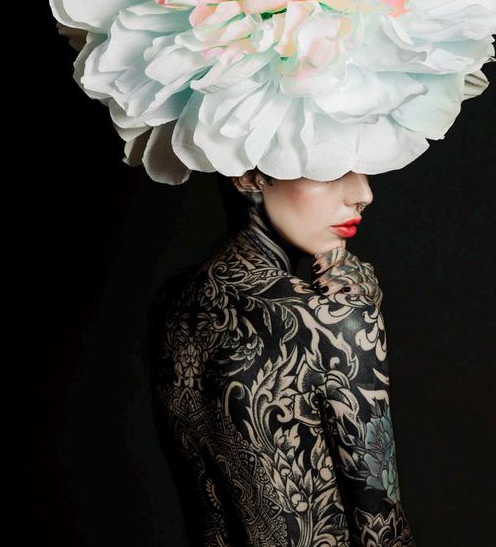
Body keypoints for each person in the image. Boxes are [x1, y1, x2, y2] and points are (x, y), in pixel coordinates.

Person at [147, 169, 416, 546]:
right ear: (248, 177)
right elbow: (382, 532)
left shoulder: (171, 299)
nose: (363, 194)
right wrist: (360, 314)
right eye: (331, 168)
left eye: (363, 169)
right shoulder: (335, 319)